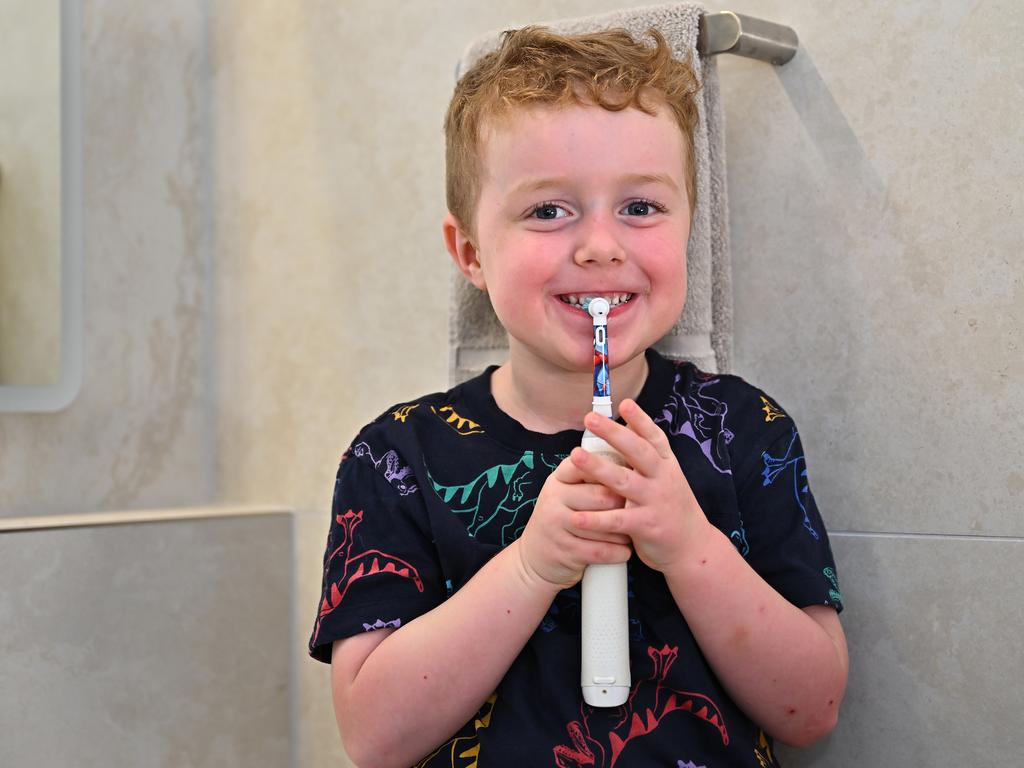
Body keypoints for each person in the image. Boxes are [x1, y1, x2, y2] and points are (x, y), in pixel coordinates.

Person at [309, 25, 848, 768]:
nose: (600, 245)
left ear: (690, 228)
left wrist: (690, 547)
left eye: (641, 208)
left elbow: (812, 709)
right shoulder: (397, 455)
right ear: (470, 252)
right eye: (549, 211)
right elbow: (374, 739)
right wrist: (532, 566)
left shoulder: (742, 430)